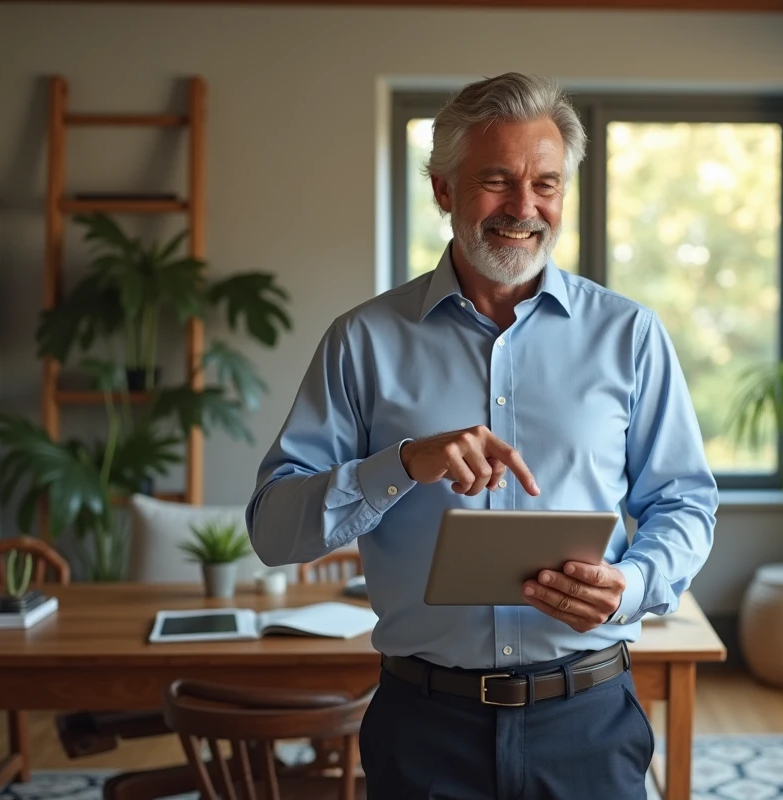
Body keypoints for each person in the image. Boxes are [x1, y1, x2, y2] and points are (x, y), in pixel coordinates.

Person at [246, 71, 718, 800]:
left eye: (547, 185)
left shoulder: (631, 337)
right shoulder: (362, 342)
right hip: (422, 727)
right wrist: (401, 464)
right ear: (443, 190)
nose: (524, 208)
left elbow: (686, 502)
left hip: (587, 721)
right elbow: (275, 532)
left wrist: (635, 584)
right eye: (497, 181)